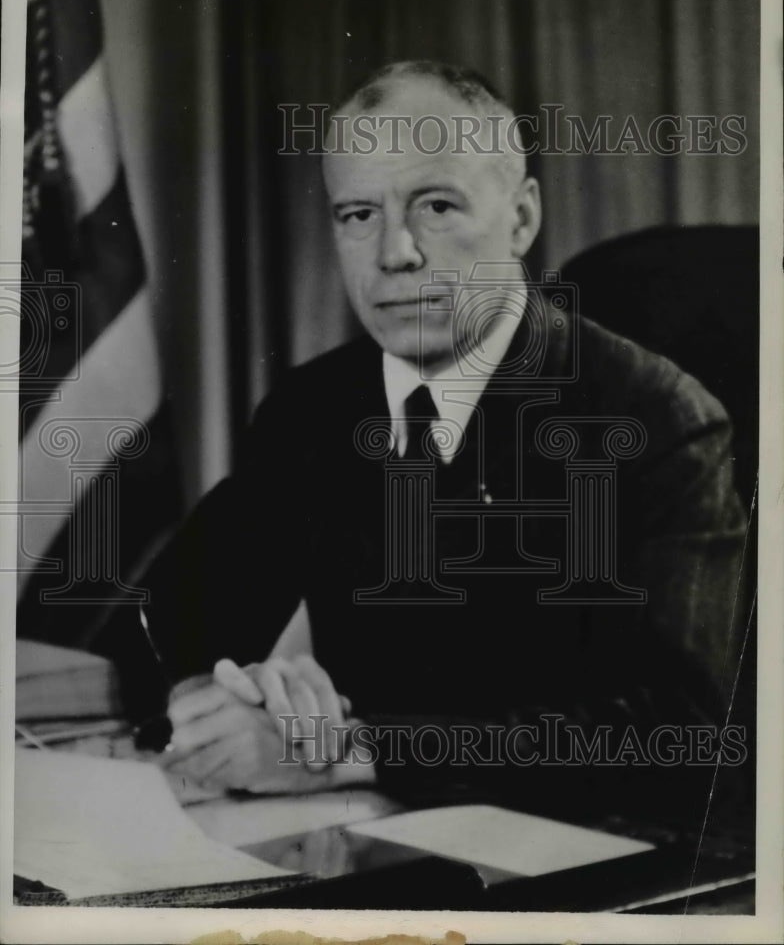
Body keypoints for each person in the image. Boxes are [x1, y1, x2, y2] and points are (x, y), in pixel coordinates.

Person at [142, 62, 747, 823]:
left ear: (522, 219)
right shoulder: (312, 408)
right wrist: (229, 694)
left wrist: (348, 752)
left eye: (435, 205)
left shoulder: (658, 420)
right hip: (372, 841)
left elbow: (683, 736)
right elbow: (182, 611)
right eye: (356, 215)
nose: (394, 253)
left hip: (586, 866)